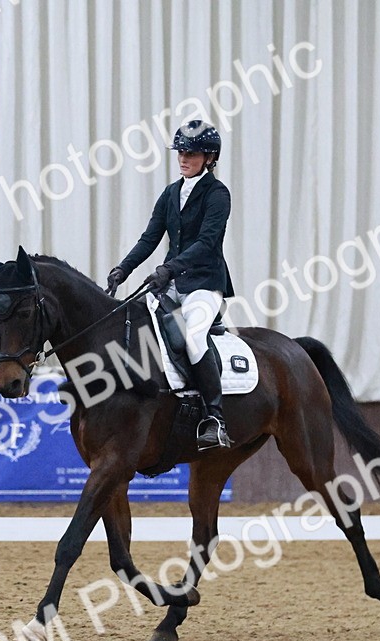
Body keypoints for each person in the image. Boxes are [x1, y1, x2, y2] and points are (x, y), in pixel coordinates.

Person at [107, 119, 235, 449]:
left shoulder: (218, 194)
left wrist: (168, 268)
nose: (183, 158)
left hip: (205, 285)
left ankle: (215, 418)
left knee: (192, 337)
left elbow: (207, 242)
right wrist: (123, 269)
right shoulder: (171, 193)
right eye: (180, 151)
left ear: (208, 158)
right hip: (172, 285)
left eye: (191, 153)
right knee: (135, 327)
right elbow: (150, 237)